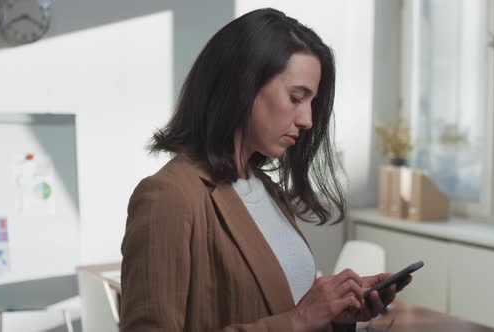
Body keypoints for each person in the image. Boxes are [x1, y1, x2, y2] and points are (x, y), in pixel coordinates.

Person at [120, 7, 411, 332]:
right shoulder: (169, 197)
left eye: (311, 102)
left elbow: (279, 310)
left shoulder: (265, 188)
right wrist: (298, 320)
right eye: (296, 97)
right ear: (242, 85)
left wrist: (333, 317)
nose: (307, 120)